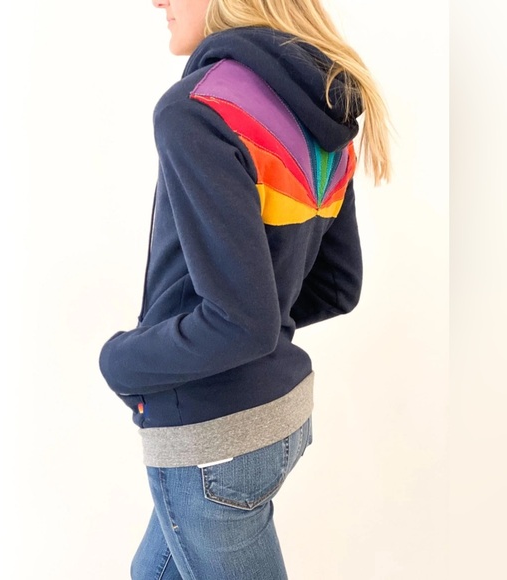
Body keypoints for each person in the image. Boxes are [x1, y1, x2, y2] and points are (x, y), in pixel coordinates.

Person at [99, 0, 392, 577]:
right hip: (277, 417)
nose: (157, 1)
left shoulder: (199, 109)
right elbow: (337, 285)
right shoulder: (321, 102)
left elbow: (244, 322)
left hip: (212, 441)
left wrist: (121, 362)